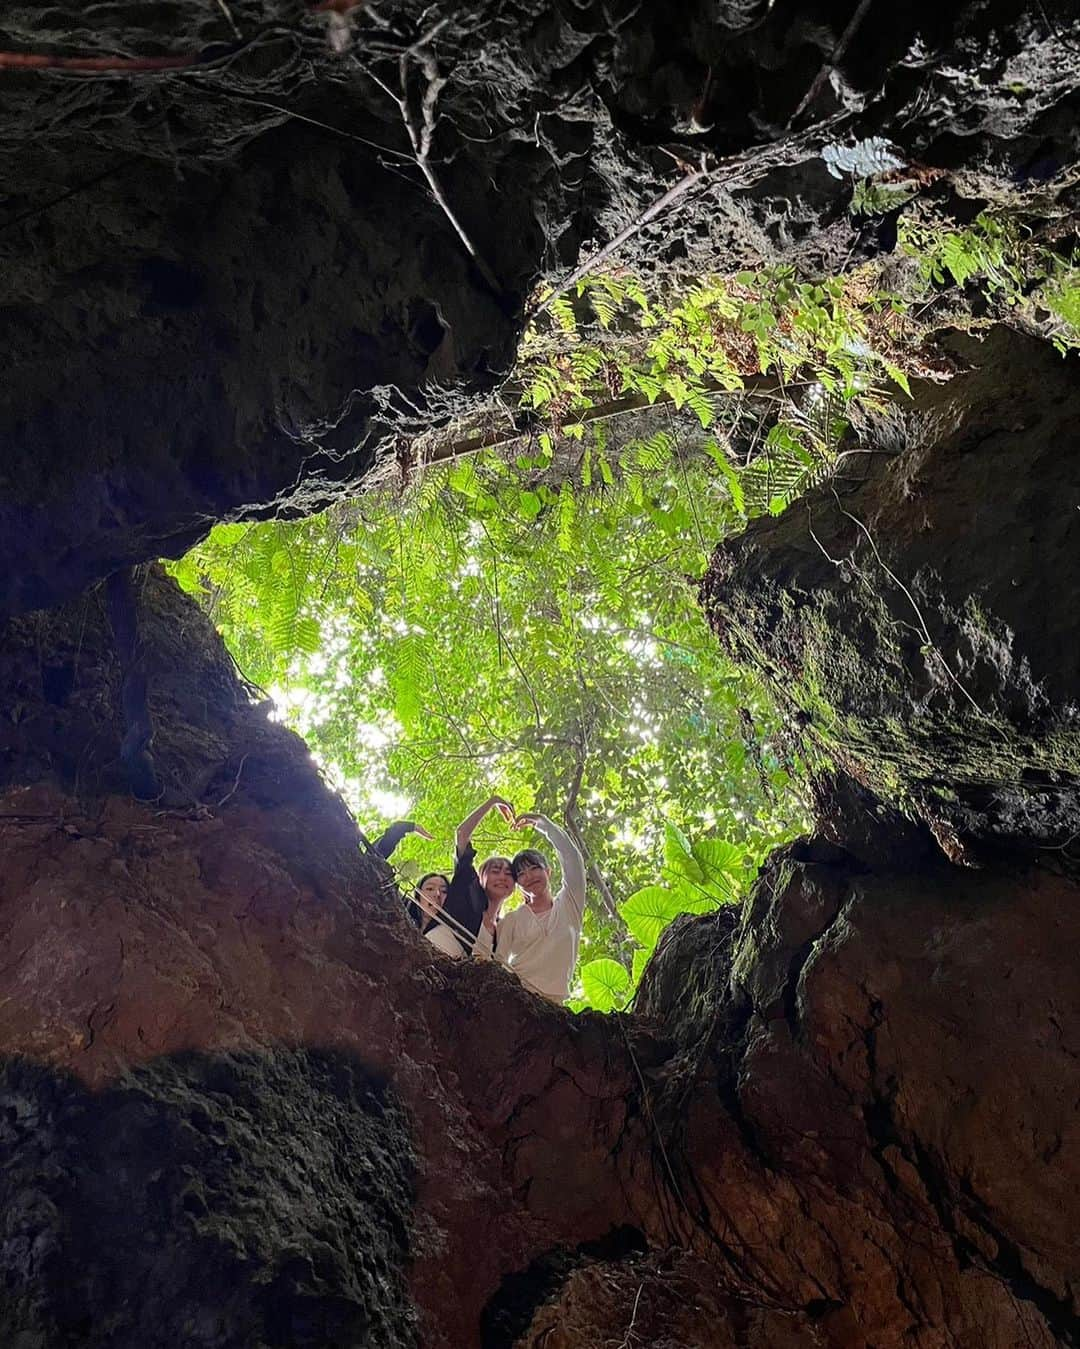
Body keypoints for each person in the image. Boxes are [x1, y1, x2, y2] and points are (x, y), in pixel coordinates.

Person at [495, 811, 586, 1003]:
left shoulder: (570, 905)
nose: (529, 876)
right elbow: (497, 963)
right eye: (521, 874)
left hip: (556, 1005)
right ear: (518, 884)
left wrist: (543, 823)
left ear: (548, 871)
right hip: (517, 999)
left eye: (535, 868)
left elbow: (572, 859)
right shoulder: (512, 919)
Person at [445, 794, 518, 957]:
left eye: (508, 873)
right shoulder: (469, 891)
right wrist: (493, 801)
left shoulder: (502, 930)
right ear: (481, 877)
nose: (502, 877)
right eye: (495, 871)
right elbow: (462, 833)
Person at [411, 871, 470, 958]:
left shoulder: (454, 934)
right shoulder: (408, 930)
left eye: (444, 891)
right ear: (418, 897)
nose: (437, 894)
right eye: (430, 889)